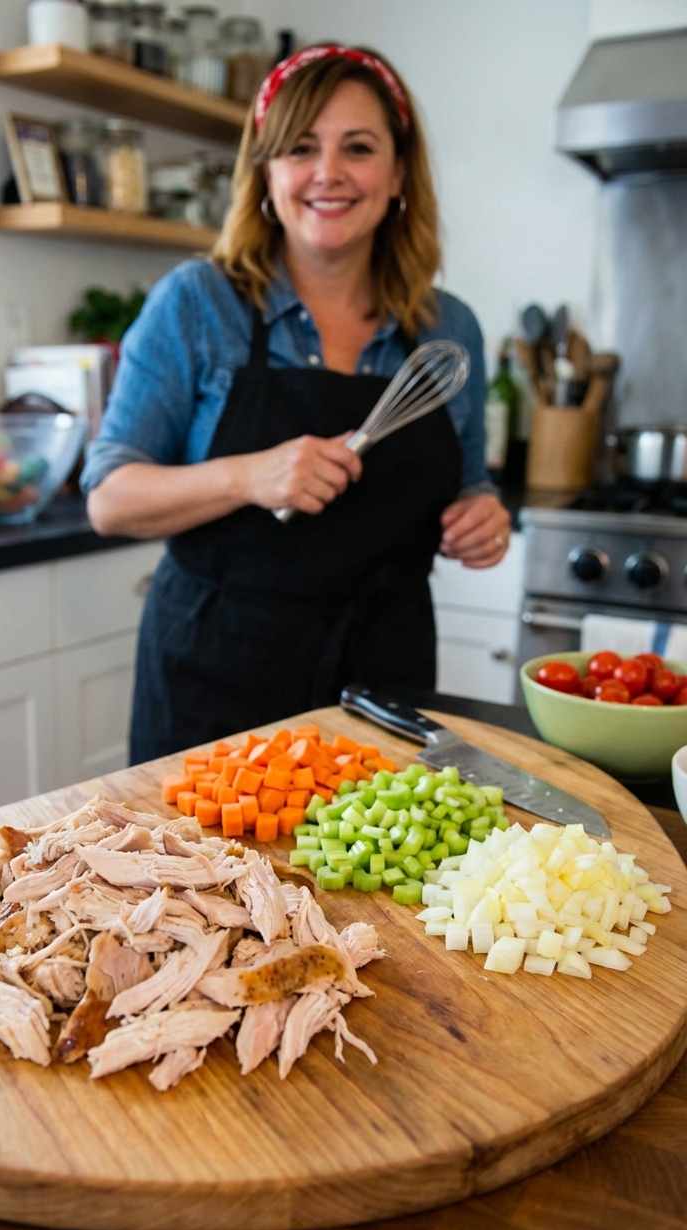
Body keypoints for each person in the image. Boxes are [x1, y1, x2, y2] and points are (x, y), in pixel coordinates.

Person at [81, 44, 512, 763]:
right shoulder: (197, 306)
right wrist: (250, 475)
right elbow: (109, 498)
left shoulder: (448, 328)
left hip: (387, 680)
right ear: (266, 173)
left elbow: (470, 483)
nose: (328, 173)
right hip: (217, 685)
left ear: (399, 172)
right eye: (301, 148)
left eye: (359, 148)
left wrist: (483, 517)